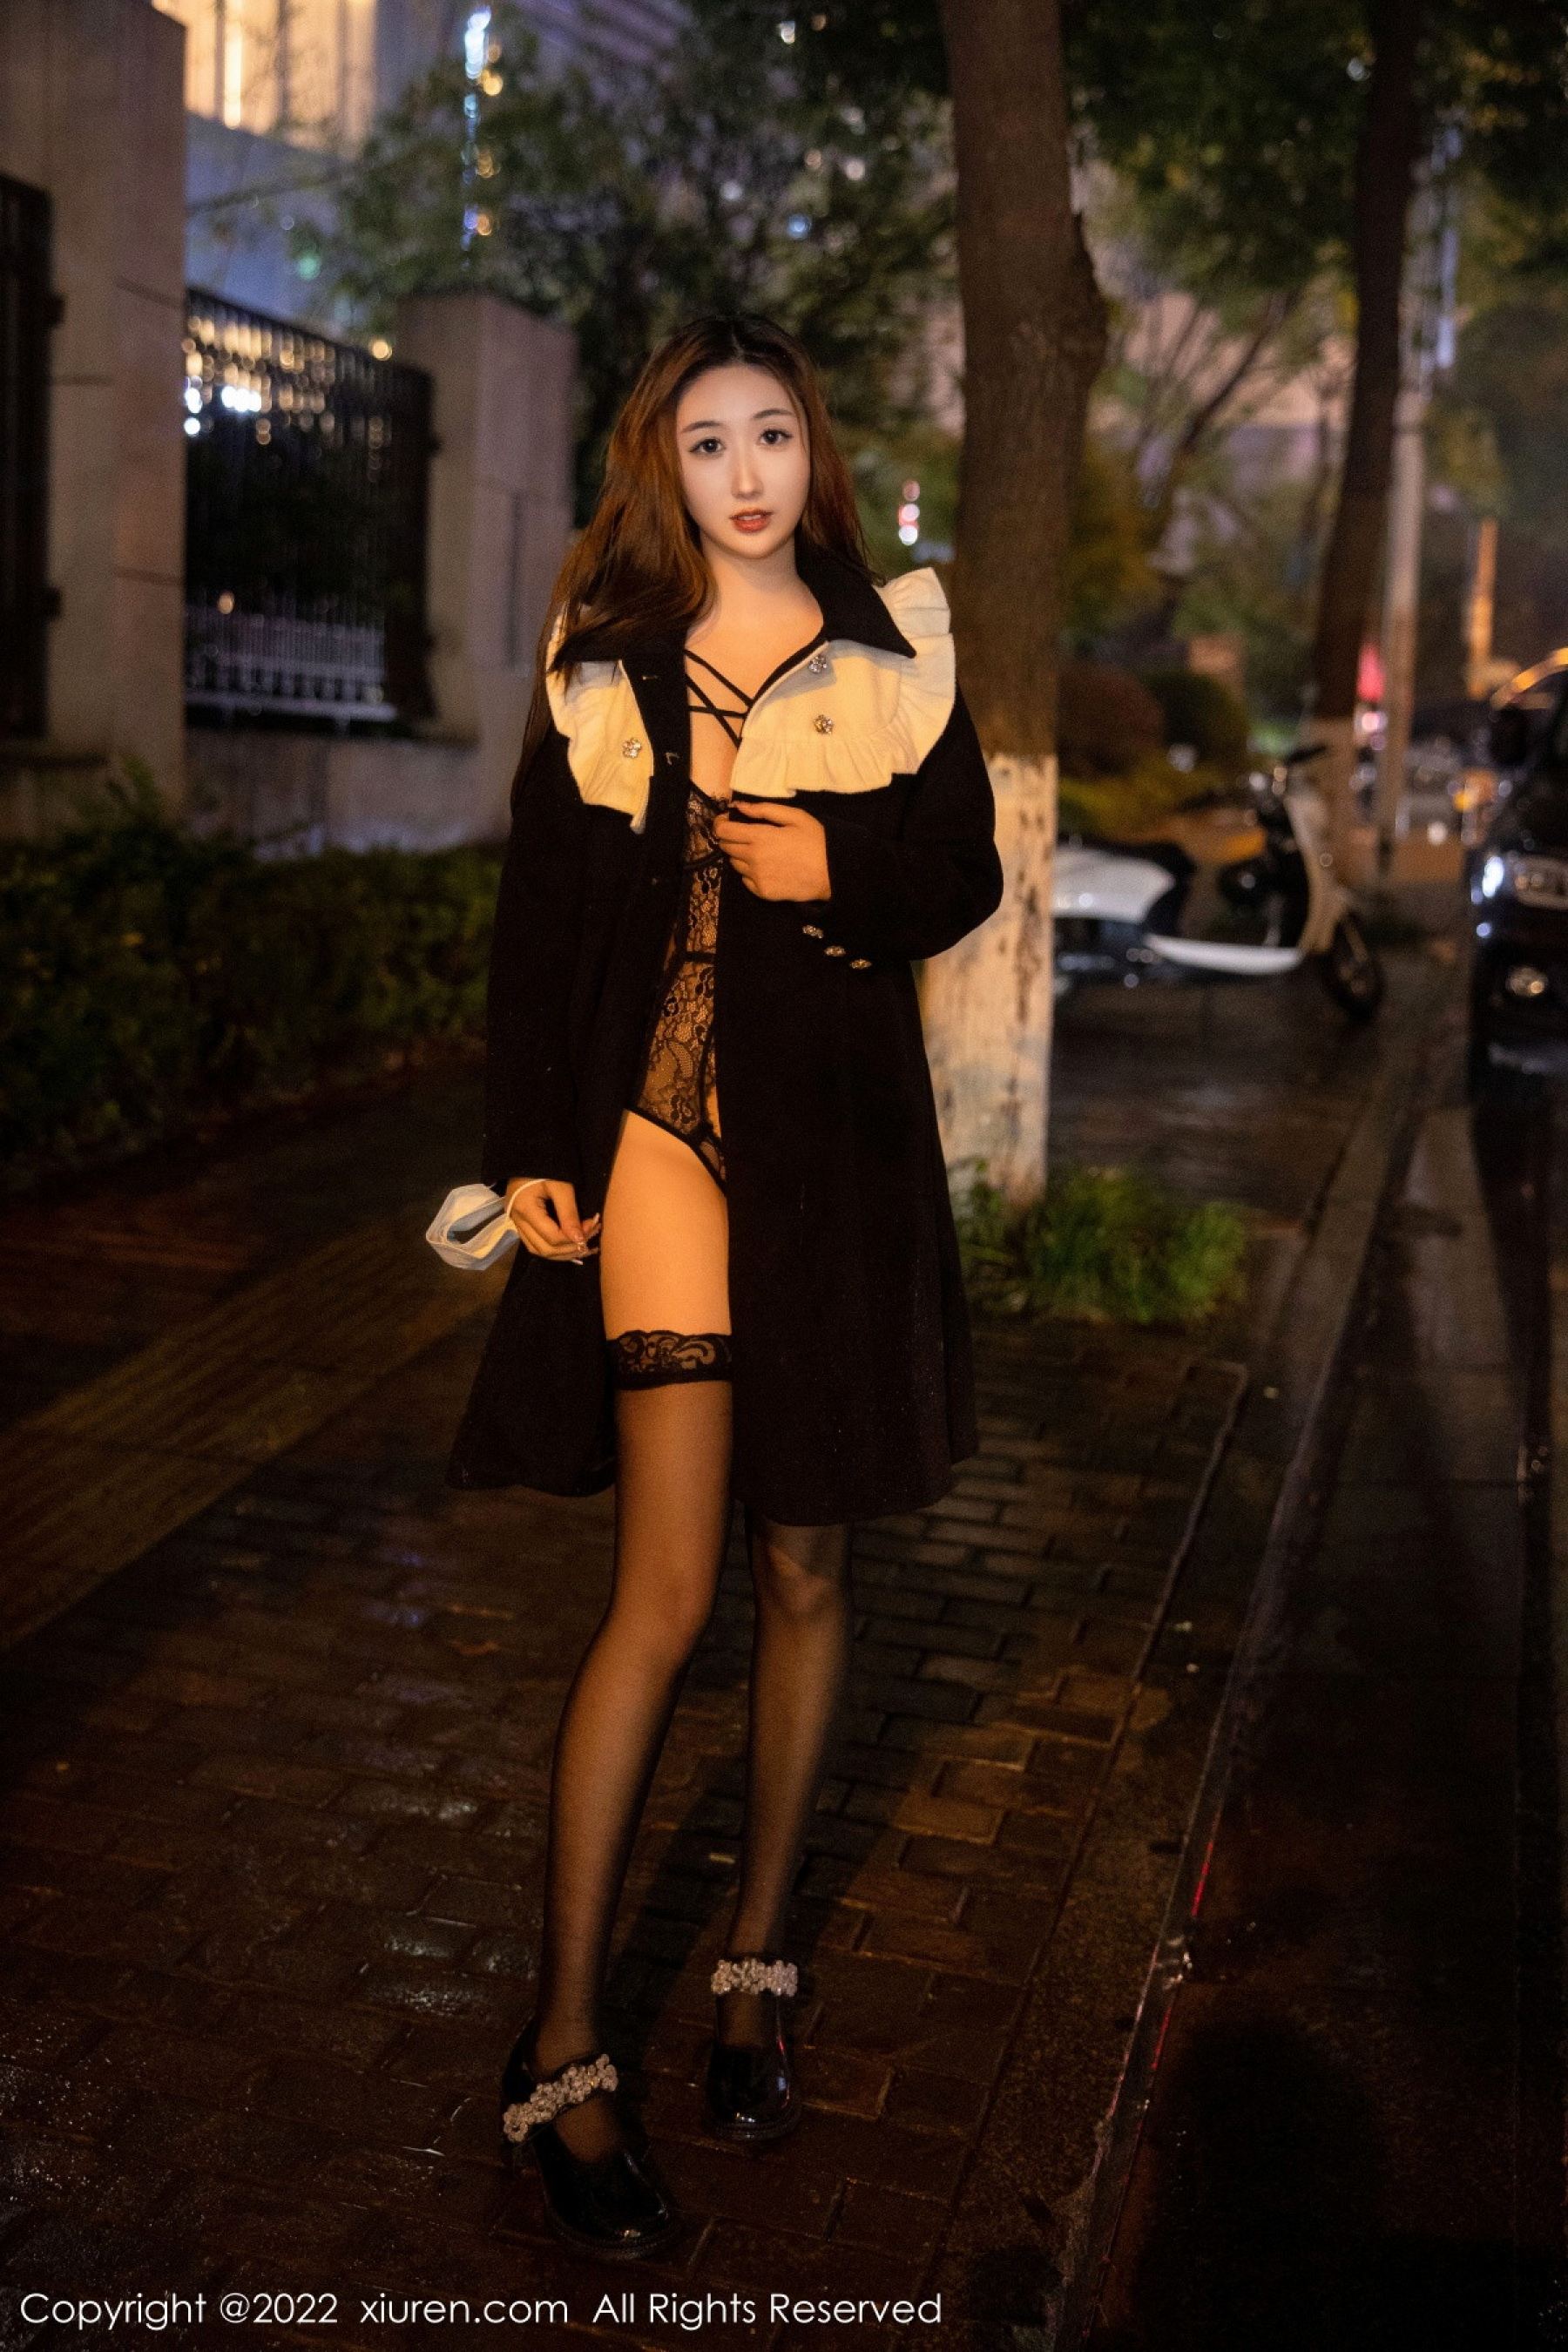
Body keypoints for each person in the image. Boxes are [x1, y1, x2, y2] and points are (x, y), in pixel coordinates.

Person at [446, 314, 1004, 2257]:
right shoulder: (606, 653)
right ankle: (562, 2043)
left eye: (772, 434)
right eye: (707, 443)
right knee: (667, 1590)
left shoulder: (891, 643)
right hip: (656, 1139)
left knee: (808, 1565)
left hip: (835, 1150)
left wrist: (832, 872)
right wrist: (528, 1141)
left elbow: (964, 872)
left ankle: (758, 1959)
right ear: (660, 466)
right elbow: (537, 913)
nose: (746, 472)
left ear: (810, 452)